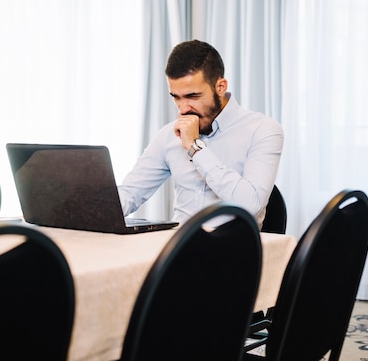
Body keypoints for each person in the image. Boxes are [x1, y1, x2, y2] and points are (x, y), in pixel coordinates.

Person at [118, 40, 284, 228]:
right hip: (180, 246)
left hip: (233, 249)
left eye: (192, 96)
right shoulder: (167, 136)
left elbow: (250, 205)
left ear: (220, 87)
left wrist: (195, 147)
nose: (183, 108)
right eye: (176, 97)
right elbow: (130, 194)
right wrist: (88, 209)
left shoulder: (264, 131)